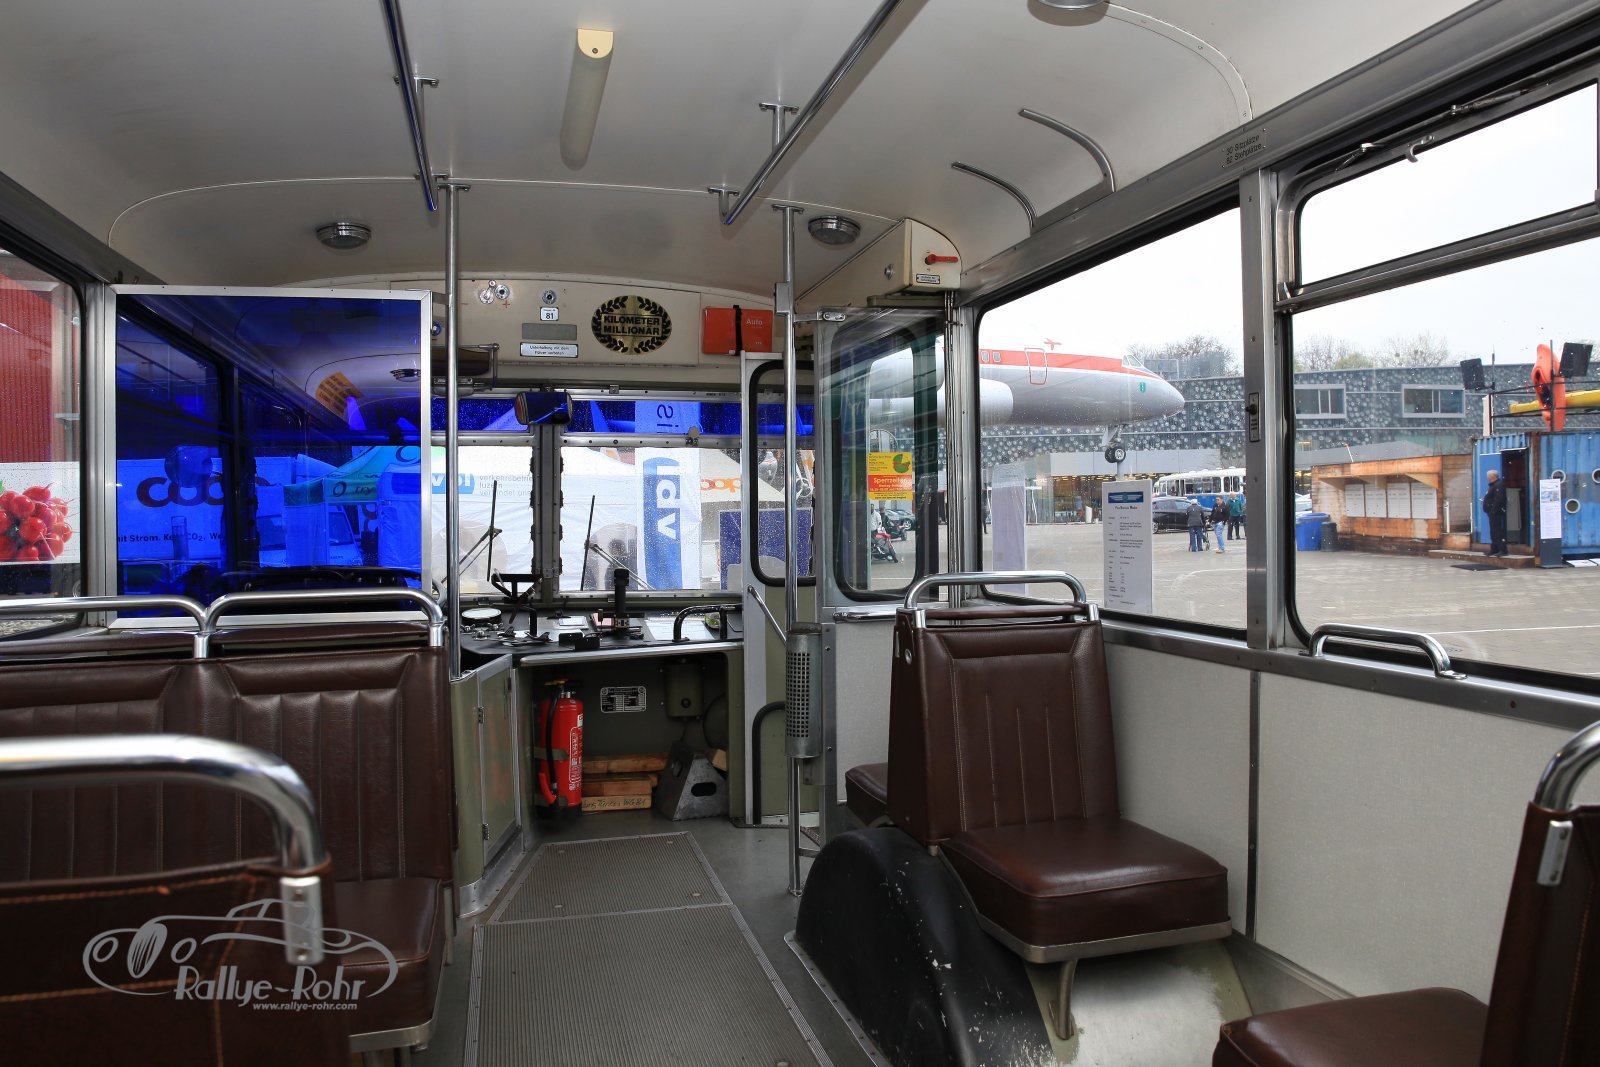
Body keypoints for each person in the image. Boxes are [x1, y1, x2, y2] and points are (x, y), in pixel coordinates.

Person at [1482, 469, 1507, 557]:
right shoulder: (1493, 486)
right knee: (1493, 531)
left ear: (1492, 477)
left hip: (1496, 512)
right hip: (1492, 512)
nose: (1487, 478)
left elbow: (1499, 499)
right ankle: (1494, 549)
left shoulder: (1498, 485)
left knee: (1497, 531)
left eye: (1488, 476)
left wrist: (1493, 510)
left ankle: (1502, 549)